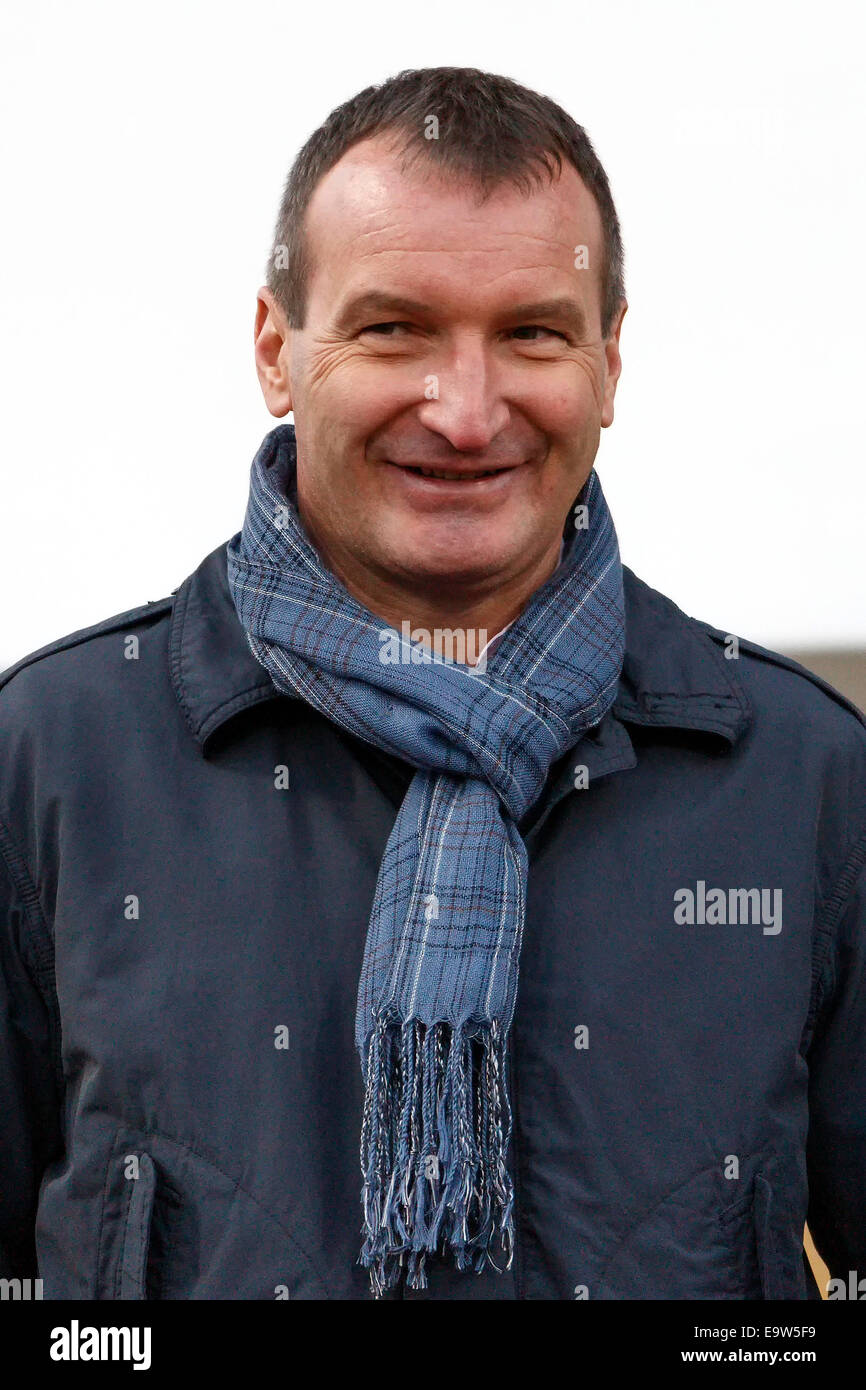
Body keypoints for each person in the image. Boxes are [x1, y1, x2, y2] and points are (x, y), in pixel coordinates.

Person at [1, 66, 864, 1302]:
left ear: (608, 363)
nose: (464, 412)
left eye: (530, 332)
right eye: (393, 326)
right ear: (276, 353)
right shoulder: (49, 762)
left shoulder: (805, 781)